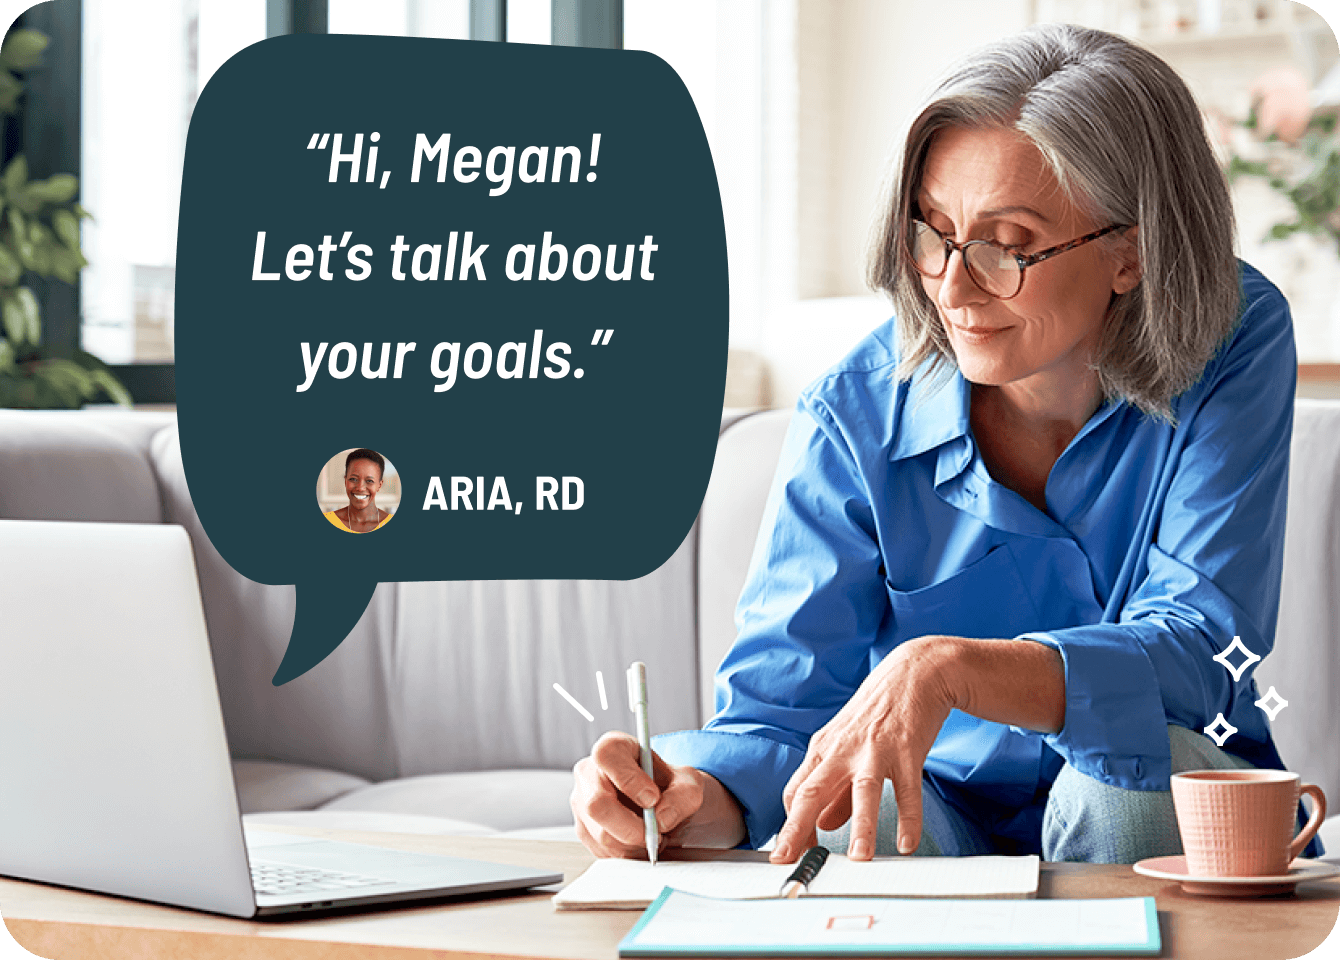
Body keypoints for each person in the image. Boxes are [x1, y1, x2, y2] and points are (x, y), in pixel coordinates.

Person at [571, 23, 1321, 865]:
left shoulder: (1234, 336)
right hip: (939, 806)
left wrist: (951, 666)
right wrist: (682, 799)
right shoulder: (853, 412)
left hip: (1152, 789)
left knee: (1117, 778)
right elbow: (779, 720)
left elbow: (1200, 646)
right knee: (842, 809)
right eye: (932, 232)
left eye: (1008, 244)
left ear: (1131, 254)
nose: (953, 287)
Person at [324, 448, 395, 533]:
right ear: (345, 481)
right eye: (353, 479)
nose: (360, 488)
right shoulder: (328, 519)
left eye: (369, 481)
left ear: (379, 485)